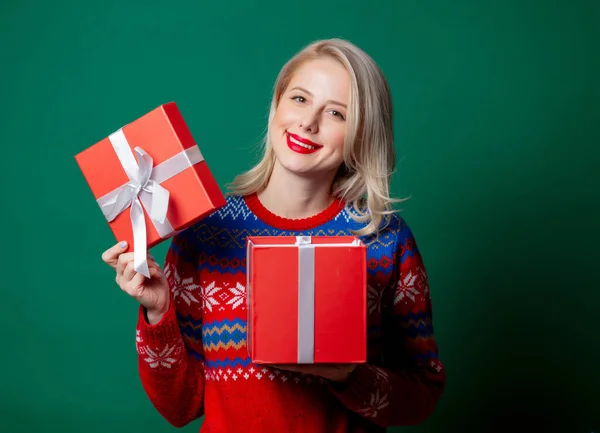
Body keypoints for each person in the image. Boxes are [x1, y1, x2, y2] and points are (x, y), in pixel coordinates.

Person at [102, 38, 446, 433]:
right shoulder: (205, 233)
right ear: (278, 105)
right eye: (300, 99)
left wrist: (349, 376)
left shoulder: (384, 239)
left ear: (363, 133)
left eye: (336, 112)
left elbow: (422, 394)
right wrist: (159, 312)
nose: (308, 122)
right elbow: (180, 407)